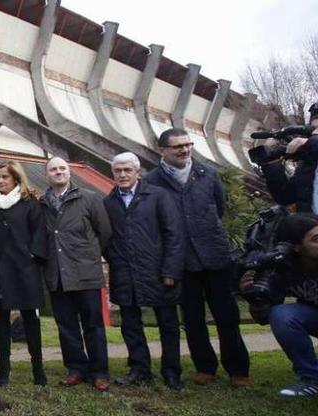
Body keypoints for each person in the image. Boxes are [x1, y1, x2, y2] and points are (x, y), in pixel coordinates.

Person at [144, 128, 252, 387]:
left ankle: (238, 369)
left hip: (215, 255)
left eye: (187, 144)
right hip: (181, 260)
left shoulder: (208, 174)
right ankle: (205, 367)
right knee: (192, 318)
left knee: (226, 315)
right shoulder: (151, 181)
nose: (184, 150)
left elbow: (219, 207)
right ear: (162, 150)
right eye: (177, 146)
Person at [103, 152, 185, 390]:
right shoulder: (109, 202)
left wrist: (170, 270)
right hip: (125, 273)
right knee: (131, 325)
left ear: (137, 171)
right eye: (118, 170)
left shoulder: (158, 196)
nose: (122, 174)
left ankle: (171, 371)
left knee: (168, 324)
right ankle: (139, 369)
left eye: (127, 170)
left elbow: (174, 235)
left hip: (158, 272)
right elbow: (107, 240)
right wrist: (116, 261)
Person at [41, 157, 112, 391]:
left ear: (69, 172)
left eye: (62, 168)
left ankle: (99, 372)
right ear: (47, 174)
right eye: (53, 169)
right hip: (58, 275)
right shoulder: (42, 203)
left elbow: (104, 233)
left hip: (85, 274)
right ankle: (76, 369)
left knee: (93, 325)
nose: (58, 172)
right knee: (67, 326)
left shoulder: (89, 198)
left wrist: (88, 257)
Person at [0, 161, 47, 387]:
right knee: (1, 319)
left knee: (30, 318)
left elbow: (40, 233)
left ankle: (38, 370)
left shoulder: (29, 202)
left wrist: (31, 256)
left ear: (16, 179)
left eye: (5, 177)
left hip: (24, 269)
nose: (0, 181)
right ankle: (4, 371)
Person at [242, 213, 318, 397]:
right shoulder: (283, 270)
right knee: (282, 315)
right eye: (316, 239)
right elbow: (265, 318)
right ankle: (311, 378)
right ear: (297, 247)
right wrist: (253, 295)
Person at [260, 104, 318, 213]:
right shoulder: (308, 164)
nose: (315, 133)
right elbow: (285, 197)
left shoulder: (312, 145)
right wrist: (271, 164)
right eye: (313, 129)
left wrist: (311, 142)